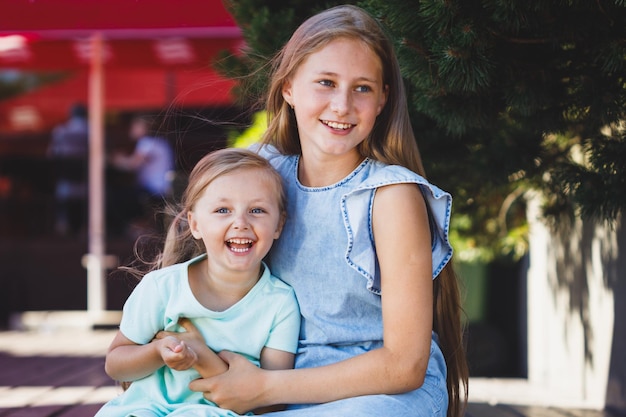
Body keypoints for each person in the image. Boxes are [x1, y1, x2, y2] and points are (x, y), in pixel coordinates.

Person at [173, 4, 470, 417]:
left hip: (378, 396)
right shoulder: (261, 177)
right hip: (274, 389)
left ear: (383, 98)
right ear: (289, 88)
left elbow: (405, 365)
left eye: (362, 88)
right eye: (326, 82)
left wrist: (263, 388)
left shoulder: (389, 195)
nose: (342, 105)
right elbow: (198, 278)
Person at [95, 148, 301, 417]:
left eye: (257, 210)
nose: (240, 222)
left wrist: (203, 357)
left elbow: (274, 400)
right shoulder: (162, 288)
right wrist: (157, 352)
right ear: (195, 224)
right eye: (223, 210)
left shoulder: (280, 303)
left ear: (279, 225)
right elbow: (116, 364)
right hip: (145, 409)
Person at [108, 114, 175, 234]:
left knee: (115, 196)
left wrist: (115, 159)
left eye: (135, 126)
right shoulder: (159, 142)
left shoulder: (147, 142)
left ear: (144, 127)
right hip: (162, 189)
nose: (131, 129)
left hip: (155, 190)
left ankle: (128, 228)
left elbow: (132, 164)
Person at [47, 103, 89, 236]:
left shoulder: (61, 130)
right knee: (86, 199)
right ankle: (85, 226)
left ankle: (62, 223)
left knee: (64, 196)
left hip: (66, 172)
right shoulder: (92, 129)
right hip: (85, 172)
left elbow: (51, 153)